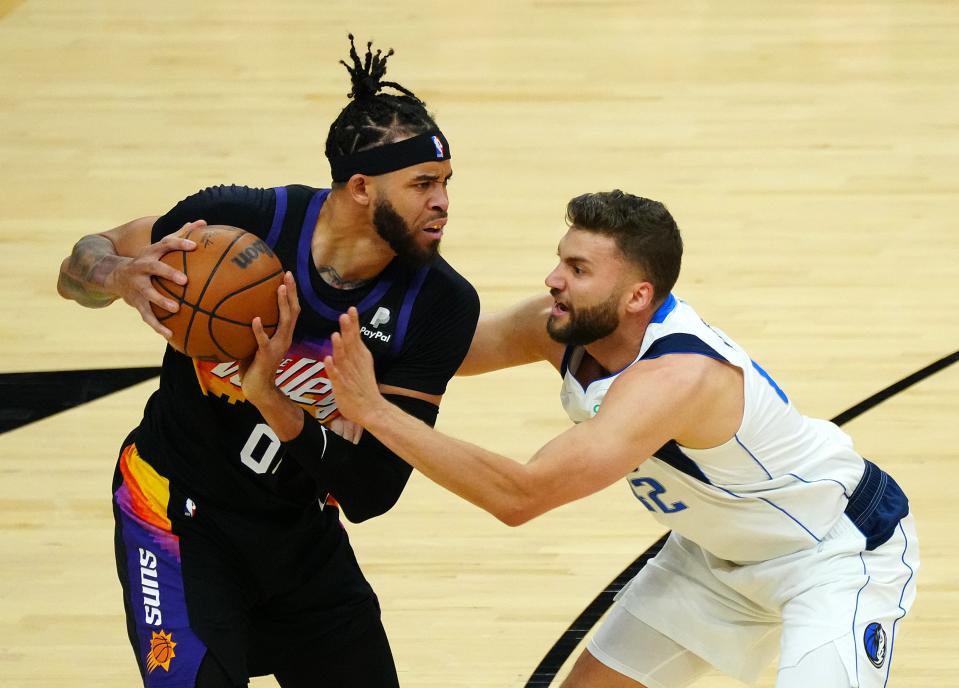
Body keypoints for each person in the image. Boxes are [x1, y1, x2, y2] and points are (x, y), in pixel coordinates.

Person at [312, 190, 919, 688]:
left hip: (833, 554)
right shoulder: (559, 327)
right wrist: (318, 320)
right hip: (711, 557)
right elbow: (440, 353)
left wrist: (378, 413)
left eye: (578, 270)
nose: (553, 279)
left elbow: (521, 496)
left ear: (638, 297)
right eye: (560, 260)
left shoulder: (679, 377)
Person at [56, 35, 478, 688]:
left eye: (445, 183)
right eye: (423, 184)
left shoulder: (439, 305)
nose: (443, 202)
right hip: (175, 515)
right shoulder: (236, 221)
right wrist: (115, 274)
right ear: (362, 187)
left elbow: (371, 493)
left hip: (299, 537)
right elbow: (78, 265)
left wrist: (273, 402)